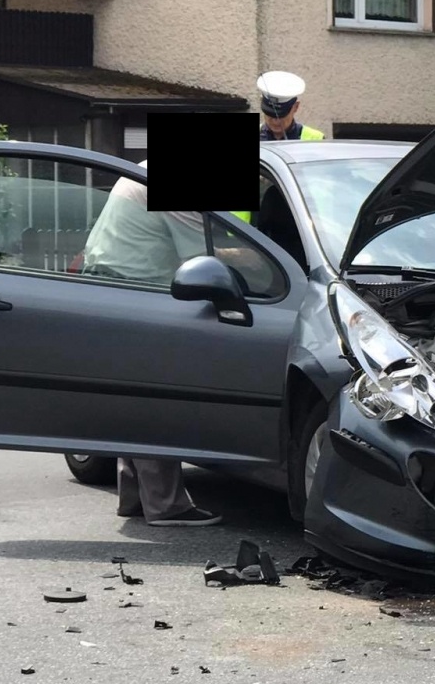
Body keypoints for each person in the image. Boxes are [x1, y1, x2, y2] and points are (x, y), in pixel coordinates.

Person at [80, 167, 223, 526]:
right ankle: (167, 505)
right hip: (137, 294)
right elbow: (202, 258)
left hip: (110, 290)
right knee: (158, 401)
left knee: (137, 399)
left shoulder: (143, 169)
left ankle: (134, 496)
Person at [233, 72, 327, 224]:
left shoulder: (315, 141)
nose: (275, 121)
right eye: (269, 114)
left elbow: (323, 192)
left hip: (297, 229)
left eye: (281, 115)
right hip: (248, 232)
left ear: (296, 107)